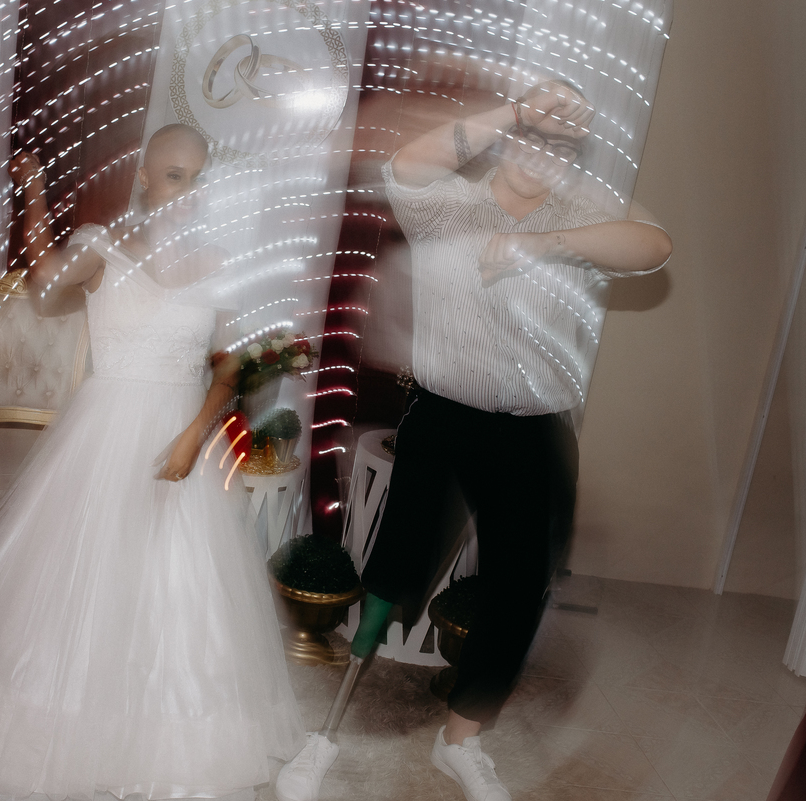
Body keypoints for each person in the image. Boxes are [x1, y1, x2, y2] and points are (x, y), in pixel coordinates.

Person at [275, 81, 672, 801]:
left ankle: (459, 740)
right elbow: (407, 163)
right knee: (395, 573)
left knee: (520, 587)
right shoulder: (447, 205)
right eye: (529, 140)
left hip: (536, 433)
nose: (541, 156)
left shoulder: (578, 216)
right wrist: (520, 110)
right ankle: (325, 737)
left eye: (560, 149)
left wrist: (542, 243)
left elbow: (653, 246)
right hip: (444, 418)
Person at [0, 123, 305, 801]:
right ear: (145, 178)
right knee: (79, 585)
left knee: (176, 593)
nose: (187, 190)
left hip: (179, 438)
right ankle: (67, 731)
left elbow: (228, 367)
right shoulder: (102, 246)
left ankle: (161, 743)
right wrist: (35, 193)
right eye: (175, 175)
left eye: (198, 178)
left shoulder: (217, 259)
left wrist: (194, 436)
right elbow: (45, 284)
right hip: (103, 434)